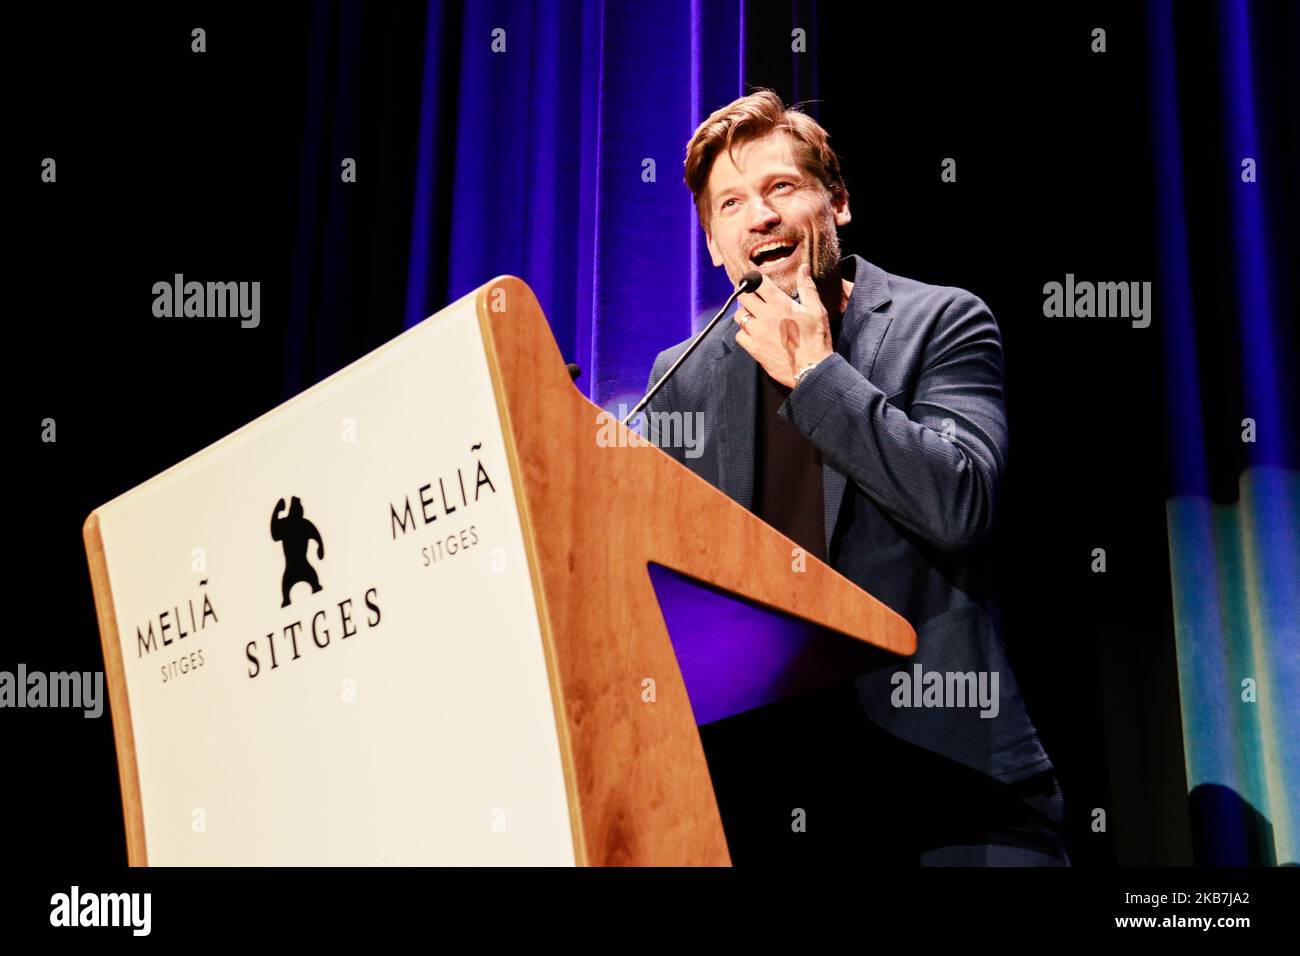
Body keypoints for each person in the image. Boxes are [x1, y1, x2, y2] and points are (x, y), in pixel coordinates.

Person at [645, 90, 1069, 866]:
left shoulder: (939, 321)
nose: (759, 217)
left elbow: (960, 501)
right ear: (714, 242)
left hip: (951, 792)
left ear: (836, 203)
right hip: (769, 799)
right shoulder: (682, 378)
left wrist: (816, 375)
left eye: (781, 188)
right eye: (731, 204)